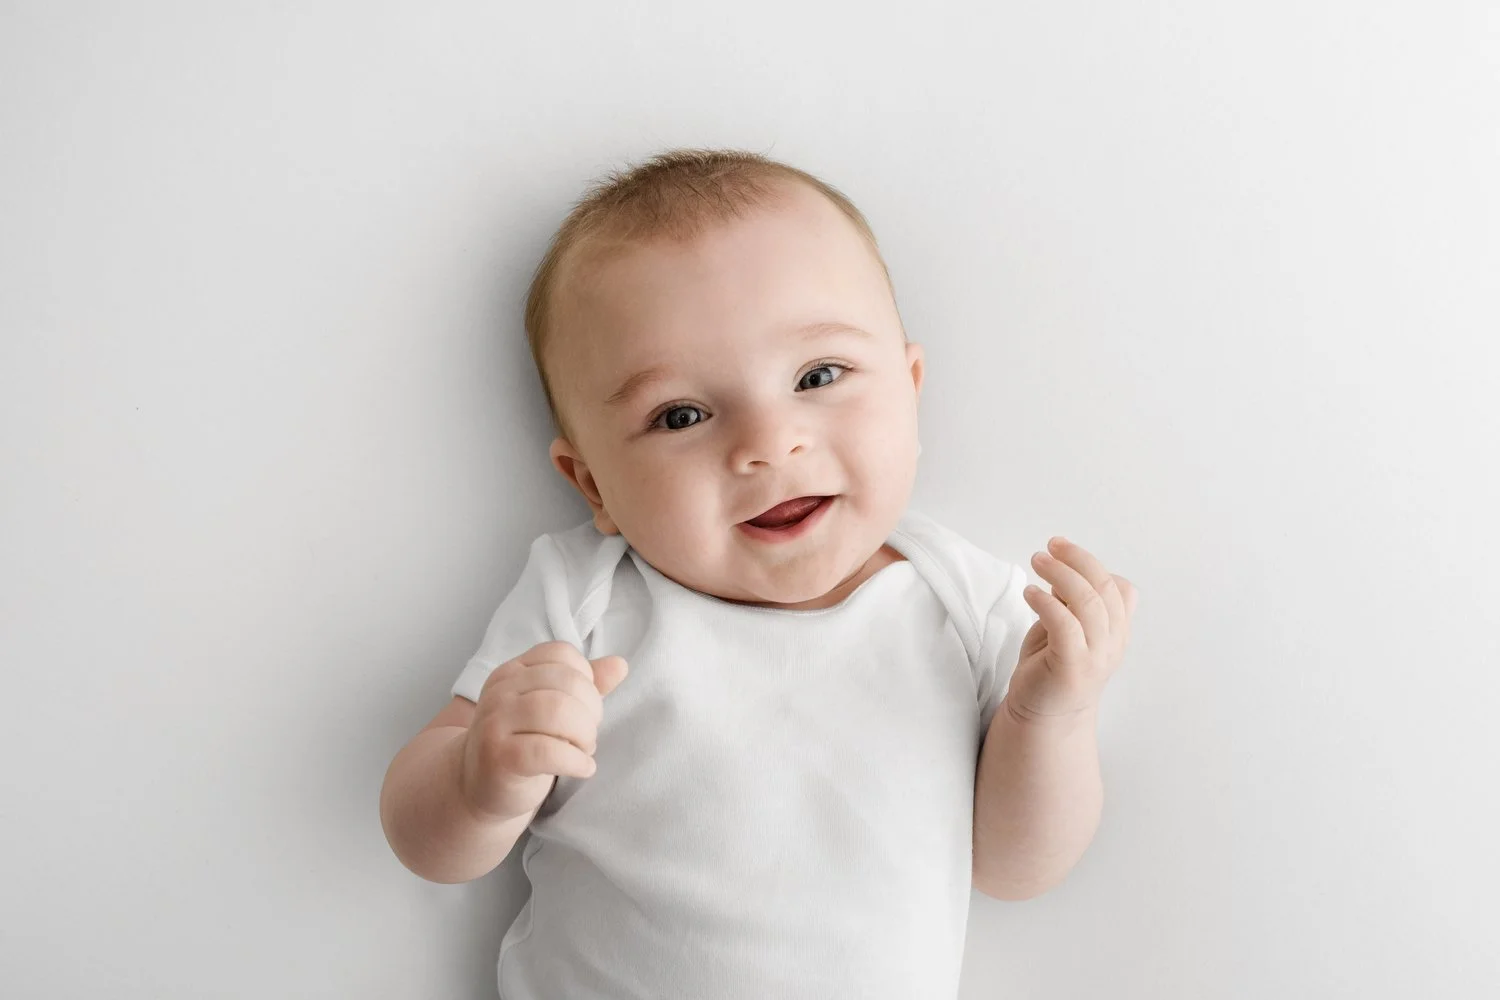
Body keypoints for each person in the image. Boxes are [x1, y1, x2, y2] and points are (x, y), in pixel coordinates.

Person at [379, 147, 1138, 999]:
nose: (769, 445)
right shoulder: (585, 598)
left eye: (819, 375)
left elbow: (1014, 868)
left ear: (910, 389)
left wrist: (1051, 717)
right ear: (593, 484)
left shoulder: (962, 602)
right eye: (682, 415)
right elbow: (425, 844)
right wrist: (481, 784)